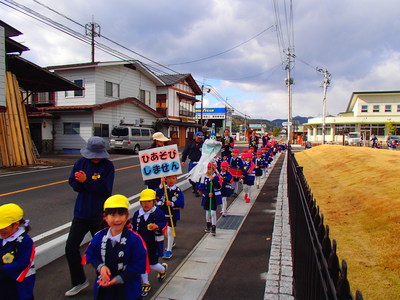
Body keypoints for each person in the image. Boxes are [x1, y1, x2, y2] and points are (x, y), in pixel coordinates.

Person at [65, 136, 115, 297]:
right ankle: (79, 281)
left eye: (97, 155)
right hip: (81, 213)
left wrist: (86, 182)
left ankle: (107, 278)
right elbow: (73, 183)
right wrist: (79, 182)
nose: (94, 158)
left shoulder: (108, 166)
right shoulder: (80, 163)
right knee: (71, 248)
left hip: (99, 215)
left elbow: (105, 190)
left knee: (103, 250)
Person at [84, 195, 147, 300]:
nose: (117, 219)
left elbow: (139, 264)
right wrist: (100, 267)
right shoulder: (98, 236)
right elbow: (91, 255)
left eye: (121, 214)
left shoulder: (135, 239)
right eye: (112, 215)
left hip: (128, 288)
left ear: (127, 216)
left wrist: (119, 279)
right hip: (104, 286)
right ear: (105, 217)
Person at [131, 189, 167, 297]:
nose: (145, 204)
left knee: (152, 263)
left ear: (154, 202)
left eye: (148, 201)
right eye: (143, 202)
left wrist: (157, 226)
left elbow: (163, 224)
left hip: (153, 243)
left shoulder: (158, 213)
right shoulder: (137, 214)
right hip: (140, 244)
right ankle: (145, 283)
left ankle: (162, 269)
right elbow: (133, 227)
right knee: (142, 263)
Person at [0, 203, 35, 300]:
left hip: (20, 283)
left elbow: (23, 262)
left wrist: (2, 270)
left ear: (16, 225)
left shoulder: (24, 240)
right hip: (4, 282)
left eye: (3, 228)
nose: (0, 231)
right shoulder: (2, 238)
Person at [155, 175, 184, 259]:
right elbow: (156, 195)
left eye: (173, 178)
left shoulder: (177, 190)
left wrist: (172, 203)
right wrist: (161, 183)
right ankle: (171, 242)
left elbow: (181, 202)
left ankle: (169, 250)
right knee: (165, 231)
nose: (171, 180)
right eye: (169, 178)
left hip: (172, 213)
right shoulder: (163, 188)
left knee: (170, 230)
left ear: (176, 179)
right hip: (163, 213)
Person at [198, 163, 222, 236]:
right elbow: (201, 188)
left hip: (214, 197)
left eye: (211, 169)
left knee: (213, 212)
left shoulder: (216, 177)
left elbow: (219, 186)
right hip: (206, 197)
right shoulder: (203, 177)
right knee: (207, 211)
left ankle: (214, 226)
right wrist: (207, 193)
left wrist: (213, 180)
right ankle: (208, 224)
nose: (209, 171)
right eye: (207, 169)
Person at [182, 131, 204, 196]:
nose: (199, 139)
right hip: (192, 162)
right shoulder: (190, 143)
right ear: (195, 136)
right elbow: (185, 152)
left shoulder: (204, 144)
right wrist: (183, 161)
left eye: (201, 138)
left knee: (198, 177)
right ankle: (194, 187)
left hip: (200, 163)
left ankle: (197, 190)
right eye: (198, 137)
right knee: (190, 177)